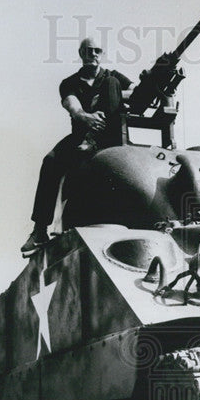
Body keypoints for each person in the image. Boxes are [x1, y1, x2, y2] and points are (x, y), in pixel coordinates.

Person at [21, 37, 135, 256]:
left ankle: (94, 141)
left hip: (111, 136)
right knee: (51, 160)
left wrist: (111, 96)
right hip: (80, 136)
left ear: (102, 54)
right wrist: (85, 115)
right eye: (89, 51)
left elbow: (136, 92)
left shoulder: (112, 78)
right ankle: (39, 229)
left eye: (97, 51)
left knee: (113, 84)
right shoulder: (70, 82)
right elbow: (72, 106)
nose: (93, 54)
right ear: (81, 53)